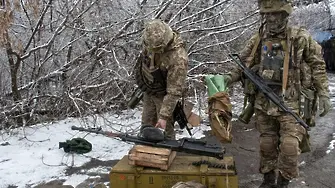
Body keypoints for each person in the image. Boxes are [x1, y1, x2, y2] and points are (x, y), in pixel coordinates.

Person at [223, 0, 331, 187]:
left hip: (291, 103)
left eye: (275, 14)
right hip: (264, 103)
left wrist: (323, 94)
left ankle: (283, 182)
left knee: (289, 146)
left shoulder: (300, 37)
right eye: (267, 15)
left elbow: (318, 66)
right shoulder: (258, 39)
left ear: (285, 15)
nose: (271, 19)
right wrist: (226, 79)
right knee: (267, 145)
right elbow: (242, 63)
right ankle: (268, 180)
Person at [135, 19, 188, 140]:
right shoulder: (150, 39)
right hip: (150, 89)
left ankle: (167, 154)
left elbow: (173, 91)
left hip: (164, 96)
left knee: (165, 132)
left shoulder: (178, 58)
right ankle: (146, 151)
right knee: (146, 126)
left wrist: (164, 116)